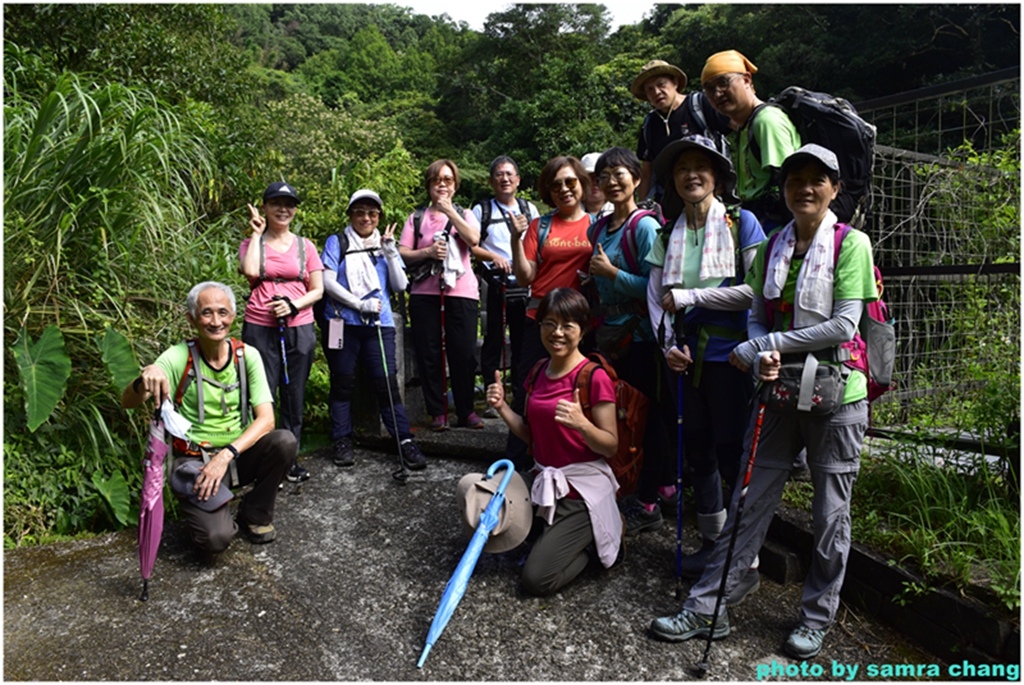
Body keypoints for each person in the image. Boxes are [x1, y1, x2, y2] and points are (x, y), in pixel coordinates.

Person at [649, 144, 878, 661]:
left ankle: (816, 617)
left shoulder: (850, 243)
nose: (804, 187)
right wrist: (759, 349)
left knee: (829, 513)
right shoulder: (776, 243)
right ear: (784, 188)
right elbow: (758, 309)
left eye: (817, 179)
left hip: (838, 395)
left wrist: (764, 347)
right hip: (776, 390)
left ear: (834, 189)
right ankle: (709, 605)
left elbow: (844, 324)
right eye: (795, 178)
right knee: (749, 502)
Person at [646, 134, 766, 581]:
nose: (690, 174)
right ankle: (714, 544)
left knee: (733, 453)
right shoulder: (667, 232)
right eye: (681, 169)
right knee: (698, 450)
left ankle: (745, 552)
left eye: (701, 166)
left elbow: (756, 291)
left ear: (717, 176)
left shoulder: (742, 223)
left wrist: (693, 295)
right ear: (672, 181)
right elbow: (656, 296)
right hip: (683, 357)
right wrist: (667, 348)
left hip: (730, 357)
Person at [122, 282, 293, 551]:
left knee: (284, 442)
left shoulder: (247, 356)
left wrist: (225, 455)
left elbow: (266, 420)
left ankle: (254, 513)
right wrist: (145, 379)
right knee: (215, 540)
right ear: (192, 319)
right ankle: (212, 510)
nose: (216, 321)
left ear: (233, 316)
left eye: (223, 312)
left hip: (235, 456)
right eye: (207, 313)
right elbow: (128, 402)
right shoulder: (179, 356)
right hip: (194, 462)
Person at [485, 288, 622, 596]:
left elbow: (610, 445)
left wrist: (582, 424)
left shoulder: (593, 376)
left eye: (567, 325)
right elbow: (532, 436)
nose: (557, 333)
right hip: (543, 481)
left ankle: (593, 546)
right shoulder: (537, 372)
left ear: (583, 330)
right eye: (549, 323)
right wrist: (502, 408)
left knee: (535, 579)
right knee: (485, 513)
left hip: (580, 494)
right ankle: (554, 532)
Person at [586, 146, 676, 535]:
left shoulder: (644, 227)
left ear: (637, 179)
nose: (611, 181)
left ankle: (652, 497)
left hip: (640, 337)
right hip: (611, 336)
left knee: (647, 416)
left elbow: (654, 289)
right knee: (624, 416)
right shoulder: (598, 228)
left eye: (619, 174)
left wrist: (609, 274)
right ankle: (643, 487)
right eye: (604, 176)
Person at [319, 188, 427, 470]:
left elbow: (400, 285)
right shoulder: (337, 242)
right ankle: (342, 439)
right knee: (342, 383)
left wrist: (391, 253)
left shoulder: (385, 244)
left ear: (378, 216)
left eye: (372, 213)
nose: (365, 217)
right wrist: (358, 304)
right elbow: (327, 281)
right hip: (342, 322)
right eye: (359, 212)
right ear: (351, 214)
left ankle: (403, 439)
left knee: (386, 383)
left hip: (380, 325)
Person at [507, 155, 595, 470]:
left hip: (582, 325)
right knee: (528, 390)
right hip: (540, 322)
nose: (564, 189)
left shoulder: (598, 225)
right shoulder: (539, 226)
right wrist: (516, 239)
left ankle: (571, 458)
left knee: (579, 392)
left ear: (582, 184)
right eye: (556, 184)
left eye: (570, 182)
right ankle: (517, 464)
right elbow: (525, 277)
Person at [240, 181, 324, 483]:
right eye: (276, 203)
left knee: (294, 394)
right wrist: (256, 234)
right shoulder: (254, 244)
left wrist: (292, 304)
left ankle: (290, 460)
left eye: (289, 204)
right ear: (265, 207)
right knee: (262, 394)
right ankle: (263, 459)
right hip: (259, 327)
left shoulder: (306, 247)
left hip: (298, 326)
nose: (283, 209)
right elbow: (250, 272)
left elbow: (318, 290)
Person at [398, 159, 483, 432]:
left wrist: (450, 213)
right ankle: (437, 412)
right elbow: (402, 253)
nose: (442, 185)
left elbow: (473, 239)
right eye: (437, 180)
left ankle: (466, 409)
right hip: (425, 292)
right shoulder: (417, 218)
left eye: (447, 180)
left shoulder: (466, 214)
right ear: (429, 186)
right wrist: (428, 253)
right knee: (429, 352)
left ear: (455, 186)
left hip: (462, 292)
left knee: (464, 352)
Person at [700, 49, 802, 233]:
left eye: (724, 82)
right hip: (761, 224)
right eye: (709, 89)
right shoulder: (745, 126)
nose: (717, 93)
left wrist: (794, 240)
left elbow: (789, 181)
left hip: (778, 228)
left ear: (746, 80)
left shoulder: (766, 120)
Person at [471, 156, 540, 420]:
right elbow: (472, 246)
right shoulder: (482, 210)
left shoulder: (528, 209)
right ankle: (493, 398)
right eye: (499, 175)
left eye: (510, 174)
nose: (505, 179)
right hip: (494, 284)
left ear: (518, 180)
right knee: (493, 343)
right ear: (491, 181)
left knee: (524, 342)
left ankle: (523, 396)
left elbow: (537, 241)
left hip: (523, 285)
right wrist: (493, 258)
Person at [632, 59, 732, 202]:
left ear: (675, 83)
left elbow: (735, 126)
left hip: (711, 196)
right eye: (650, 89)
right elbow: (647, 171)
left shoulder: (699, 105)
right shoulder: (650, 125)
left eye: (661, 85)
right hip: (670, 203)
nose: (656, 92)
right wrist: (640, 209)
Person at [580, 152, 614, 218]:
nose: (595, 182)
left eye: (600, 177)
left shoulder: (620, 212)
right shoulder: (568, 212)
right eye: (590, 178)